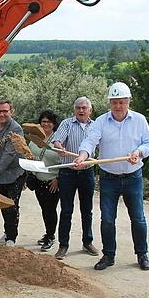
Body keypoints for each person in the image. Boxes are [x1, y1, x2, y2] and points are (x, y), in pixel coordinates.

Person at [75, 82, 149, 271]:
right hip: (108, 177)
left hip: (133, 177)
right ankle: (108, 255)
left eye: (121, 102)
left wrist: (139, 152)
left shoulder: (139, 120)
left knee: (138, 218)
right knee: (108, 219)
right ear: (109, 103)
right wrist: (82, 156)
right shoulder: (102, 122)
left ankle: (142, 254)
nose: (118, 106)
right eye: (114, 102)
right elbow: (90, 142)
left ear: (128, 101)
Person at [51, 96, 99, 260]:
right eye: (78, 107)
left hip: (87, 172)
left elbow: (102, 145)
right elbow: (56, 141)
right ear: (74, 110)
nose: (81, 110)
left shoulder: (96, 126)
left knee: (87, 210)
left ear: (90, 110)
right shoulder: (66, 124)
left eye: (84, 108)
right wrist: (60, 147)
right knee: (66, 210)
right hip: (68, 172)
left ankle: (87, 242)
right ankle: (63, 245)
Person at [0, 99, 26, 247]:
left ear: (11, 112)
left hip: (15, 173)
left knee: (11, 205)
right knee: (3, 204)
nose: (1, 114)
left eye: (5, 111)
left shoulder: (16, 129)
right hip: (0, 173)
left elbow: (9, 155)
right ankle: (7, 232)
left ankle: (11, 238)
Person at [27, 110, 61, 252]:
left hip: (52, 181)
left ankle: (51, 237)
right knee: (44, 209)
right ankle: (48, 233)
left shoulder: (58, 140)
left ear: (53, 124)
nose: (46, 124)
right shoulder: (35, 138)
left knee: (50, 210)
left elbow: (64, 160)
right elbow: (29, 153)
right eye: (43, 122)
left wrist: (58, 179)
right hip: (38, 179)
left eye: (49, 122)